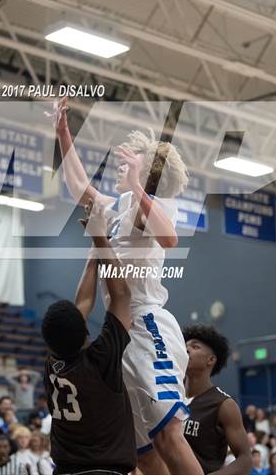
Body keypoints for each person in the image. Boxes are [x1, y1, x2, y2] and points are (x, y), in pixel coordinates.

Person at [48, 96, 202, 475]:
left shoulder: (154, 204)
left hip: (148, 326)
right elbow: (80, 188)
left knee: (169, 437)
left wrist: (138, 185)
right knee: (144, 452)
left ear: (148, 174)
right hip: (120, 327)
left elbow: (169, 239)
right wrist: (64, 135)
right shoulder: (120, 205)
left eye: (133, 160)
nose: (122, 162)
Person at [41, 201, 137, 475]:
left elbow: (83, 301)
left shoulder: (53, 365)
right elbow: (122, 295)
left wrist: (96, 246)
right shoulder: (100, 360)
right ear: (84, 332)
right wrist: (99, 237)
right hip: (101, 471)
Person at [183, 324, 251, 475]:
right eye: (185, 346)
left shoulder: (224, 404)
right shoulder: (170, 393)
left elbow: (245, 460)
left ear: (211, 360)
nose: (186, 350)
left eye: (195, 347)